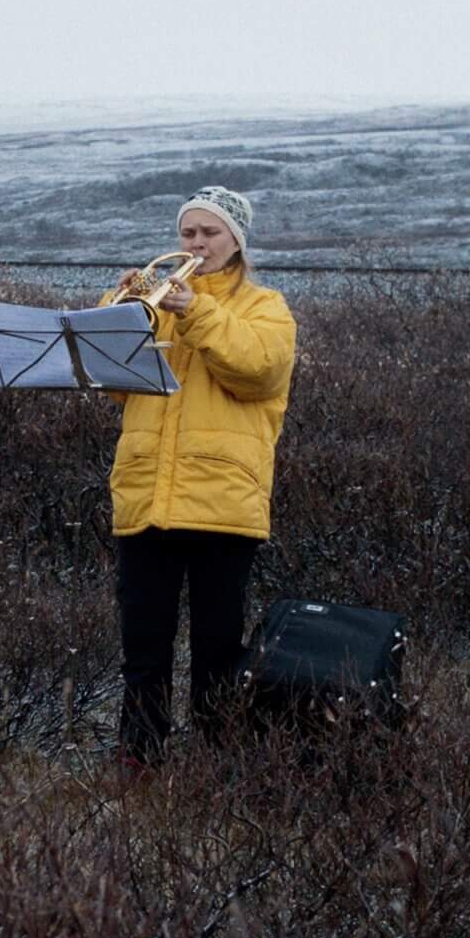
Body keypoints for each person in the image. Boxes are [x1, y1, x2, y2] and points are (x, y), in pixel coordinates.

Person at [102, 186, 297, 766]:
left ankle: (215, 765)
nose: (196, 243)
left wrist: (200, 311)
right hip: (145, 493)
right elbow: (116, 385)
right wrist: (117, 312)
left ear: (237, 239)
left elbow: (259, 371)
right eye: (188, 232)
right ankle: (139, 759)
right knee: (143, 646)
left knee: (216, 648)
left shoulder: (266, 307)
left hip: (222, 500)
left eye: (209, 232)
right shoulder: (156, 300)